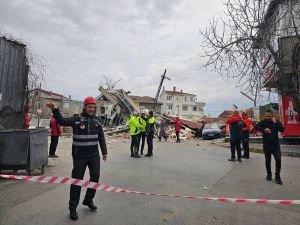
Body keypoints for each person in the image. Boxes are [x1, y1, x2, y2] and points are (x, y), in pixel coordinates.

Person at [46, 96, 107, 220]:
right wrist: (56, 110)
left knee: (95, 176)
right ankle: (73, 208)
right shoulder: (77, 119)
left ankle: (88, 199)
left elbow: (101, 137)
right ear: (85, 107)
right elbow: (62, 121)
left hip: (94, 155)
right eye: (89, 106)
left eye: (93, 107)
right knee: (77, 181)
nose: (91, 109)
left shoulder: (97, 120)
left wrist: (104, 152)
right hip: (79, 155)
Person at [255, 109, 284, 185]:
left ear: (272, 116)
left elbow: (282, 130)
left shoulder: (276, 121)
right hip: (266, 145)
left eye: (269, 116)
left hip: (276, 145)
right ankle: (269, 174)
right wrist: (264, 129)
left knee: (278, 159)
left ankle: (277, 176)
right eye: (266, 116)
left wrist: (275, 123)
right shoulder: (263, 122)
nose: (267, 117)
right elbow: (256, 126)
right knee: (268, 160)